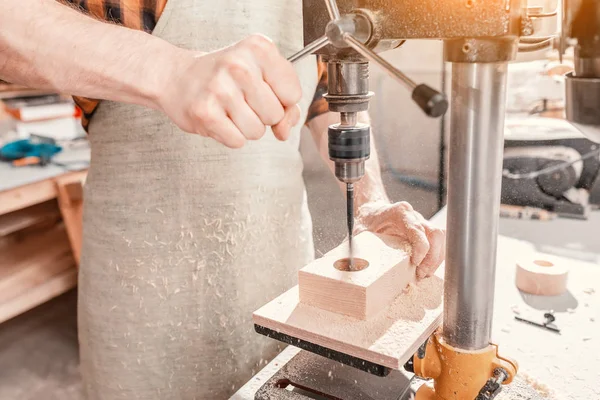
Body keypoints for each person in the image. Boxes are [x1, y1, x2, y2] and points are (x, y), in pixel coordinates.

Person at [0, 0, 446, 398]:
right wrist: (168, 69)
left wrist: (368, 200)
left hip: (282, 282)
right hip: (146, 294)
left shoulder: (318, 6)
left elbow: (329, 99)